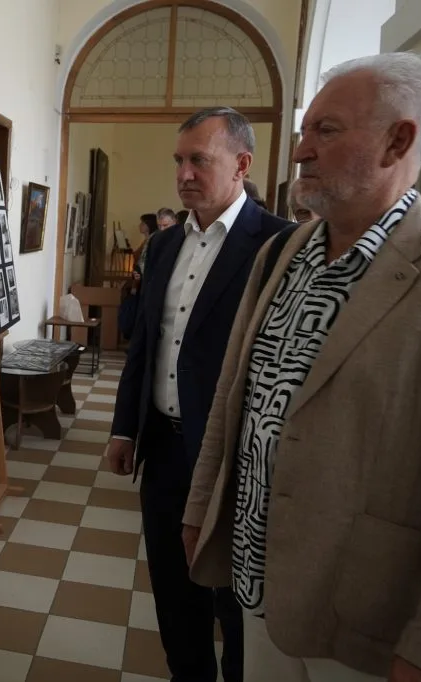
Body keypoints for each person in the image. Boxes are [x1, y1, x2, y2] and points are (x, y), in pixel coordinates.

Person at [182, 52, 421, 682]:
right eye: (304, 130)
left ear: (398, 141)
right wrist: (200, 507)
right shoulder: (282, 254)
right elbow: (235, 397)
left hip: (369, 620)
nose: (301, 151)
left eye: (327, 130)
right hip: (258, 585)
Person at [107, 106, 291, 682]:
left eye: (199, 161)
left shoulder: (280, 245)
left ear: (242, 164)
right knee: (173, 593)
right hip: (163, 449)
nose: (184, 174)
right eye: (179, 161)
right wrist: (124, 428)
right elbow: (145, 344)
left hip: (233, 460)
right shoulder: (164, 246)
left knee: (232, 602)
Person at [119, 214, 159, 340]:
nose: (139, 226)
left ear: (149, 225)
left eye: (142, 223)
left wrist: (135, 283)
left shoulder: (152, 240)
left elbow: (142, 264)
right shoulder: (146, 240)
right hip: (139, 279)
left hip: (142, 281)